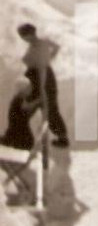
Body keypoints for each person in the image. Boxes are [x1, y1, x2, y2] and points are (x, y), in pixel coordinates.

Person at [1, 22, 70, 150]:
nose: (23, 39)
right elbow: (56, 47)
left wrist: (46, 63)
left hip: (41, 80)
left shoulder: (38, 45)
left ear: (30, 34)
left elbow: (45, 62)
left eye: (23, 36)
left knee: (46, 109)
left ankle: (59, 137)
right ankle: (13, 137)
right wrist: (49, 58)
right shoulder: (37, 44)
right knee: (22, 110)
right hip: (37, 78)